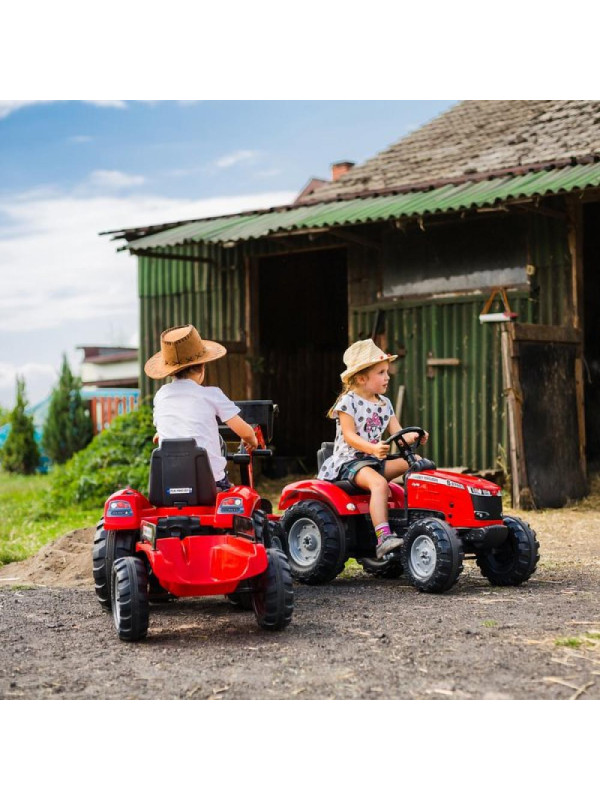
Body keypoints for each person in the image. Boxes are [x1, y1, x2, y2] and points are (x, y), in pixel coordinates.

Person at [318, 338, 429, 559]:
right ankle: (383, 538)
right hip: (350, 462)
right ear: (361, 378)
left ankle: (418, 521)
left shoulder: (384, 403)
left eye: (386, 371)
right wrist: (372, 447)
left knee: (417, 463)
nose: (387, 377)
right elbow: (349, 436)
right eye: (381, 372)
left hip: (374, 460)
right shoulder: (347, 403)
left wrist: (416, 435)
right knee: (378, 483)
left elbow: (398, 433)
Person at [144, 324, 258, 491]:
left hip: (168, 484)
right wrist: (252, 440)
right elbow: (246, 432)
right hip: (211, 484)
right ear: (202, 367)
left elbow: (163, 429)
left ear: (170, 372)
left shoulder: (161, 395)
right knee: (238, 494)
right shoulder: (211, 394)